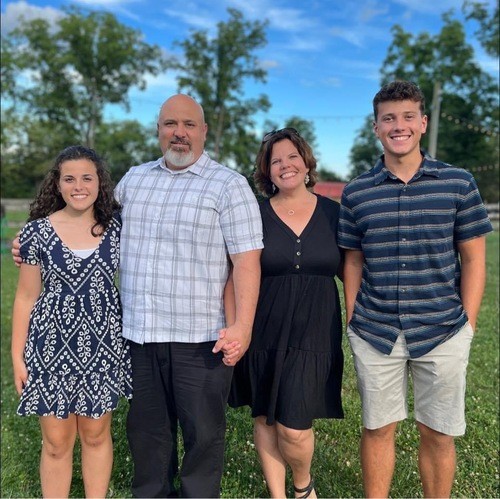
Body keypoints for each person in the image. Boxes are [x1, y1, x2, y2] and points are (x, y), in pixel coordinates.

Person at [338, 80, 493, 498]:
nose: (398, 126)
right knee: (377, 428)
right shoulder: (357, 192)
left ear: (423, 123)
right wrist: (353, 318)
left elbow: (474, 259)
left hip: (443, 328)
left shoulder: (458, 183)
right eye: (388, 118)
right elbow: (353, 260)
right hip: (375, 329)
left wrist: (468, 325)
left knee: (438, 433)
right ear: (376, 127)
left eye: (408, 116)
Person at [116, 94, 263, 497]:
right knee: (147, 434)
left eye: (188, 124)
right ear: (158, 130)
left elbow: (246, 262)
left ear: (204, 132)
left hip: (200, 339)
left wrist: (242, 327)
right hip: (140, 334)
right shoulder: (133, 180)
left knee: (203, 436)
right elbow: (95, 228)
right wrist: (41, 237)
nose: (179, 133)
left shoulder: (228, 186)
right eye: (170, 124)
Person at [227, 128, 344, 498]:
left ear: (306, 163)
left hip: (315, 332)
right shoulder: (254, 214)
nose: (285, 165)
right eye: (275, 160)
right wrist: (235, 326)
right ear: (267, 171)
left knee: (294, 426)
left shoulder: (334, 214)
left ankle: (303, 486)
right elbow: (234, 272)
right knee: (265, 415)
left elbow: (354, 270)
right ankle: (278, 495)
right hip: (263, 328)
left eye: (292, 156)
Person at [11, 145, 133, 498]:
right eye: (69, 179)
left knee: (95, 435)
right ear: (58, 184)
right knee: (56, 442)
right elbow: (25, 297)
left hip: (102, 345)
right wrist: (17, 356)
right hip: (50, 347)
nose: (79, 186)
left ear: (100, 182)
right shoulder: (36, 232)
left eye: (87, 178)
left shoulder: (117, 228)